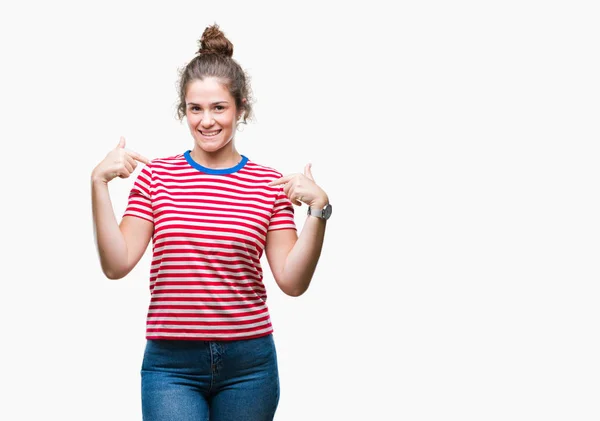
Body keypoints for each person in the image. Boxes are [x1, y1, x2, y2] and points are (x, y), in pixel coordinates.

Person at [90, 24, 331, 421]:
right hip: (171, 367)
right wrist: (98, 183)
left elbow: (292, 281)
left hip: (249, 366)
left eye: (219, 107)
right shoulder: (157, 178)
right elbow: (116, 265)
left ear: (241, 108)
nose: (206, 121)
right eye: (195, 108)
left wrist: (318, 210)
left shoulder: (269, 185)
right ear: (183, 110)